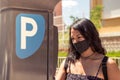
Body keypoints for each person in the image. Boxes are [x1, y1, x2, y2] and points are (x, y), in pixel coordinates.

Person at [55, 18, 120, 80]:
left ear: (90, 36)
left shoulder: (108, 65)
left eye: (79, 37)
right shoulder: (67, 63)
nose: (75, 42)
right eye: (73, 38)